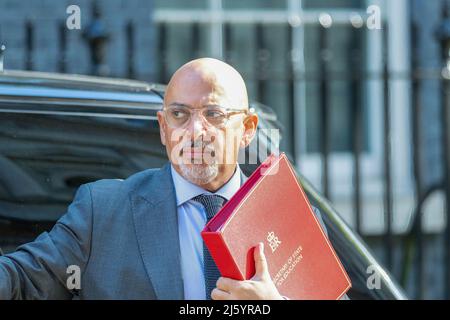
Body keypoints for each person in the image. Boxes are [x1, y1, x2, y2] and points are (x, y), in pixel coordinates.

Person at [0, 58, 337, 300]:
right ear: (163, 128)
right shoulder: (102, 212)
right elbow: (20, 279)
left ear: (247, 129)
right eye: (179, 115)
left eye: (213, 114)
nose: (194, 132)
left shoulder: (290, 216)